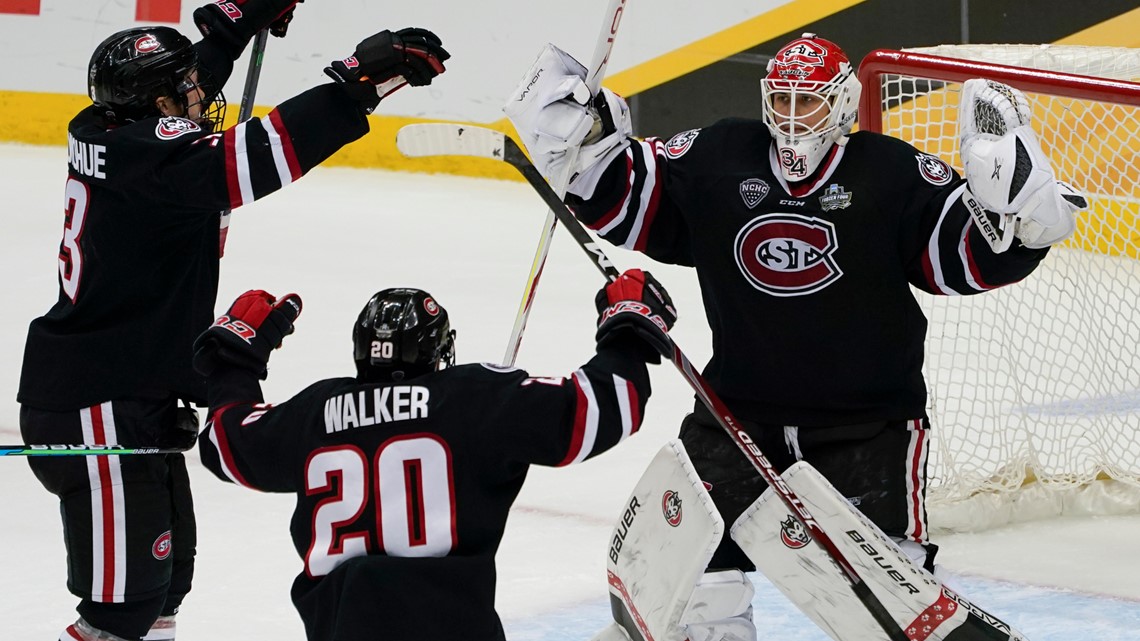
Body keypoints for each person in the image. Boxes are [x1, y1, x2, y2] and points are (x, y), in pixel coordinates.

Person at [505, 34, 1086, 639]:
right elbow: (627, 199)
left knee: (889, 604)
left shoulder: (892, 172)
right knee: (700, 585)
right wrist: (586, 142)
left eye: (806, 102)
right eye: (780, 99)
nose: (790, 116)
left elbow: (964, 262)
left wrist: (1019, 231)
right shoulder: (721, 154)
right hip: (736, 416)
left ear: (840, 104)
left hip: (867, 426)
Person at [17, 2, 450, 639]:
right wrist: (357, 84)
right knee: (122, 611)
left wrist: (236, 24)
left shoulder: (118, 131)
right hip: (98, 407)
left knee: (162, 594)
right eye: (186, 89)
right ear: (158, 107)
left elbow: (178, 93)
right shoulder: (160, 156)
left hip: (127, 394)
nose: (201, 94)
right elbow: (253, 158)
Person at [190, 269, 677, 641]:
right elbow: (606, 406)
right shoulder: (474, 398)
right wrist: (627, 330)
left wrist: (237, 362)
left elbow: (226, 444)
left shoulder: (316, 412)